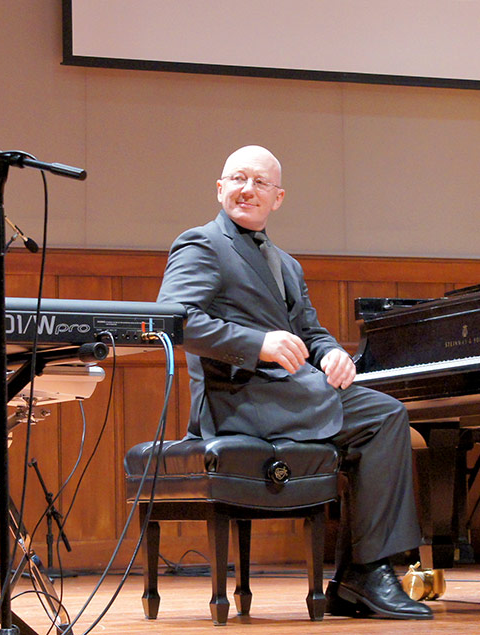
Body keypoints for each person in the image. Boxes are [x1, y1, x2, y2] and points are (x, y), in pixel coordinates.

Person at [157, 145, 432, 620]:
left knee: (386, 415)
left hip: (289, 396)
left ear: (278, 198)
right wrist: (257, 343)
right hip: (239, 401)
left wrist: (332, 355)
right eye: (238, 179)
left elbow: (311, 330)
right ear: (220, 188)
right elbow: (175, 319)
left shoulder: (286, 263)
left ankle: (363, 575)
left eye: (260, 183)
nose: (248, 189)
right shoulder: (201, 243)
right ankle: (366, 575)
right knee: (383, 418)